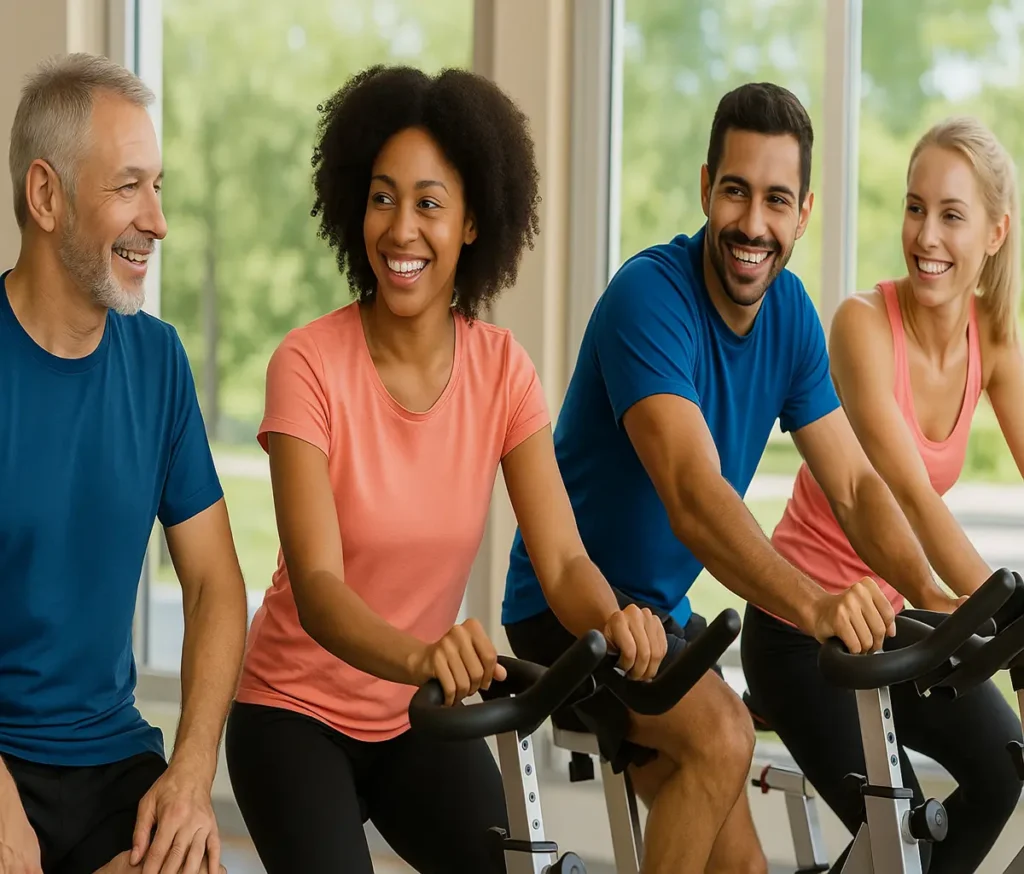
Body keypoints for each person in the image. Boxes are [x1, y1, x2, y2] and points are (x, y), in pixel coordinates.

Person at [501, 82, 961, 874]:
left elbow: (855, 487)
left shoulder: (791, 317)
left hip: (664, 616)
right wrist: (814, 605)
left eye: (776, 200)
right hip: (566, 609)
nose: (753, 223)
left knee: (743, 867)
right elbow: (693, 494)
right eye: (736, 192)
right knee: (723, 736)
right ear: (705, 188)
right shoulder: (648, 298)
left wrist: (927, 593)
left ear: (803, 213)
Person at [222, 64, 668, 874]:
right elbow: (317, 589)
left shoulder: (503, 371)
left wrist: (615, 618)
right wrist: (423, 657)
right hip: (292, 716)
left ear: (471, 223)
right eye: (382, 198)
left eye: (429, 204)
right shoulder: (307, 365)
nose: (401, 230)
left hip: (416, 716)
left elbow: (562, 559)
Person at [742, 116, 1024, 874]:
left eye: (952, 215)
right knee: (905, 839)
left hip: (895, 629)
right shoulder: (862, 324)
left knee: (1003, 769)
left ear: (995, 233)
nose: (926, 235)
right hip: (803, 631)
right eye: (915, 207)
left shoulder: (993, 340)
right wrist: (998, 618)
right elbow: (910, 496)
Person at [0, 53, 248, 874]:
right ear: (46, 196)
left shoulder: (159, 361)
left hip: (108, 757)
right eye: (128, 187)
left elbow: (214, 586)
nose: (158, 221)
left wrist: (191, 774)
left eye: (159, 187)